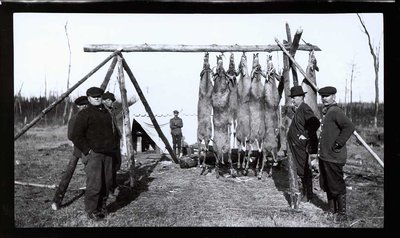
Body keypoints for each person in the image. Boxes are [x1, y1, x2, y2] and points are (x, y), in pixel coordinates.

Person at [71, 87, 120, 221]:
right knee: (95, 184)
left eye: (99, 96)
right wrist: (88, 150)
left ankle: (102, 207)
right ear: (89, 98)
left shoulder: (106, 113)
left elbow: (113, 132)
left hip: (108, 154)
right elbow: (76, 135)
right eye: (94, 97)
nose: (97, 98)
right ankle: (92, 210)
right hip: (94, 155)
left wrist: (114, 148)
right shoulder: (84, 114)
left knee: (107, 182)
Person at [317, 86, 355, 223]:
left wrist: (339, 143)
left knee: (337, 185)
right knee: (328, 184)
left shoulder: (335, 111)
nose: (324, 98)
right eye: (322, 96)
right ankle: (331, 210)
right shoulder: (327, 112)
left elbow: (349, 127)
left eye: (327, 96)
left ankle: (342, 214)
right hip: (326, 156)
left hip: (334, 156)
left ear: (334, 96)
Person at [51, 96, 89, 210]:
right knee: (69, 171)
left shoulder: (91, 116)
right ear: (78, 106)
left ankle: (92, 196)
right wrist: (85, 146)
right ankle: (58, 199)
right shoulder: (75, 118)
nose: (84, 107)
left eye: (86, 105)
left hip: (90, 149)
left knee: (92, 172)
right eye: (82, 105)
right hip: (81, 149)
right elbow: (71, 135)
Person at [287, 86, 320, 203]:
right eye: (292, 98)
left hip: (302, 145)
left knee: (304, 170)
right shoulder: (299, 108)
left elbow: (315, 123)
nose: (293, 100)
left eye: (294, 98)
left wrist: (305, 135)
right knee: (301, 169)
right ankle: (305, 193)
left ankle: (308, 195)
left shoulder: (305, 108)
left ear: (301, 97)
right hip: (296, 145)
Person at [102, 91, 122, 197]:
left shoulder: (112, 111)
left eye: (112, 100)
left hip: (115, 141)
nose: (111, 102)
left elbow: (115, 125)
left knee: (116, 164)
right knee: (107, 167)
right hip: (106, 142)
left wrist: (119, 135)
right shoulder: (101, 111)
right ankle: (108, 189)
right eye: (108, 100)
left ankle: (113, 185)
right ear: (103, 100)